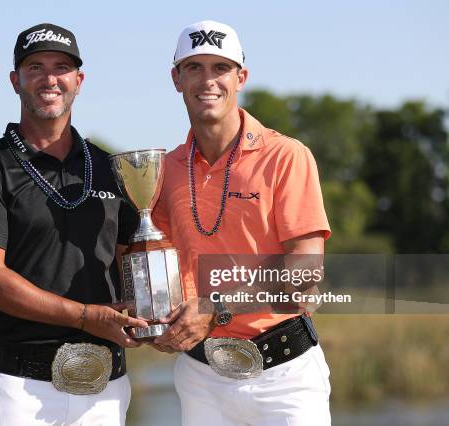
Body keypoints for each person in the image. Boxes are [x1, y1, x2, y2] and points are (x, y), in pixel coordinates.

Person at [0, 23, 147, 426]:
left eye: (61, 67)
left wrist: (154, 309)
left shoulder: (113, 169)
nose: (49, 78)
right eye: (35, 67)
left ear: (79, 80)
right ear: (15, 80)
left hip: (105, 388)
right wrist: (85, 316)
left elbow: (130, 260)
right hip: (15, 389)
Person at [152, 20, 332, 425]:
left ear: (241, 77)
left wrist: (215, 308)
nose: (207, 80)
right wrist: (163, 319)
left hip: (284, 374)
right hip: (200, 377)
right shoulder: (166, 169)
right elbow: (165, 265)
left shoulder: (286, 155)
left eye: (220, 68)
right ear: (176, 79)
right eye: (194, 67)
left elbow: (307, 267)